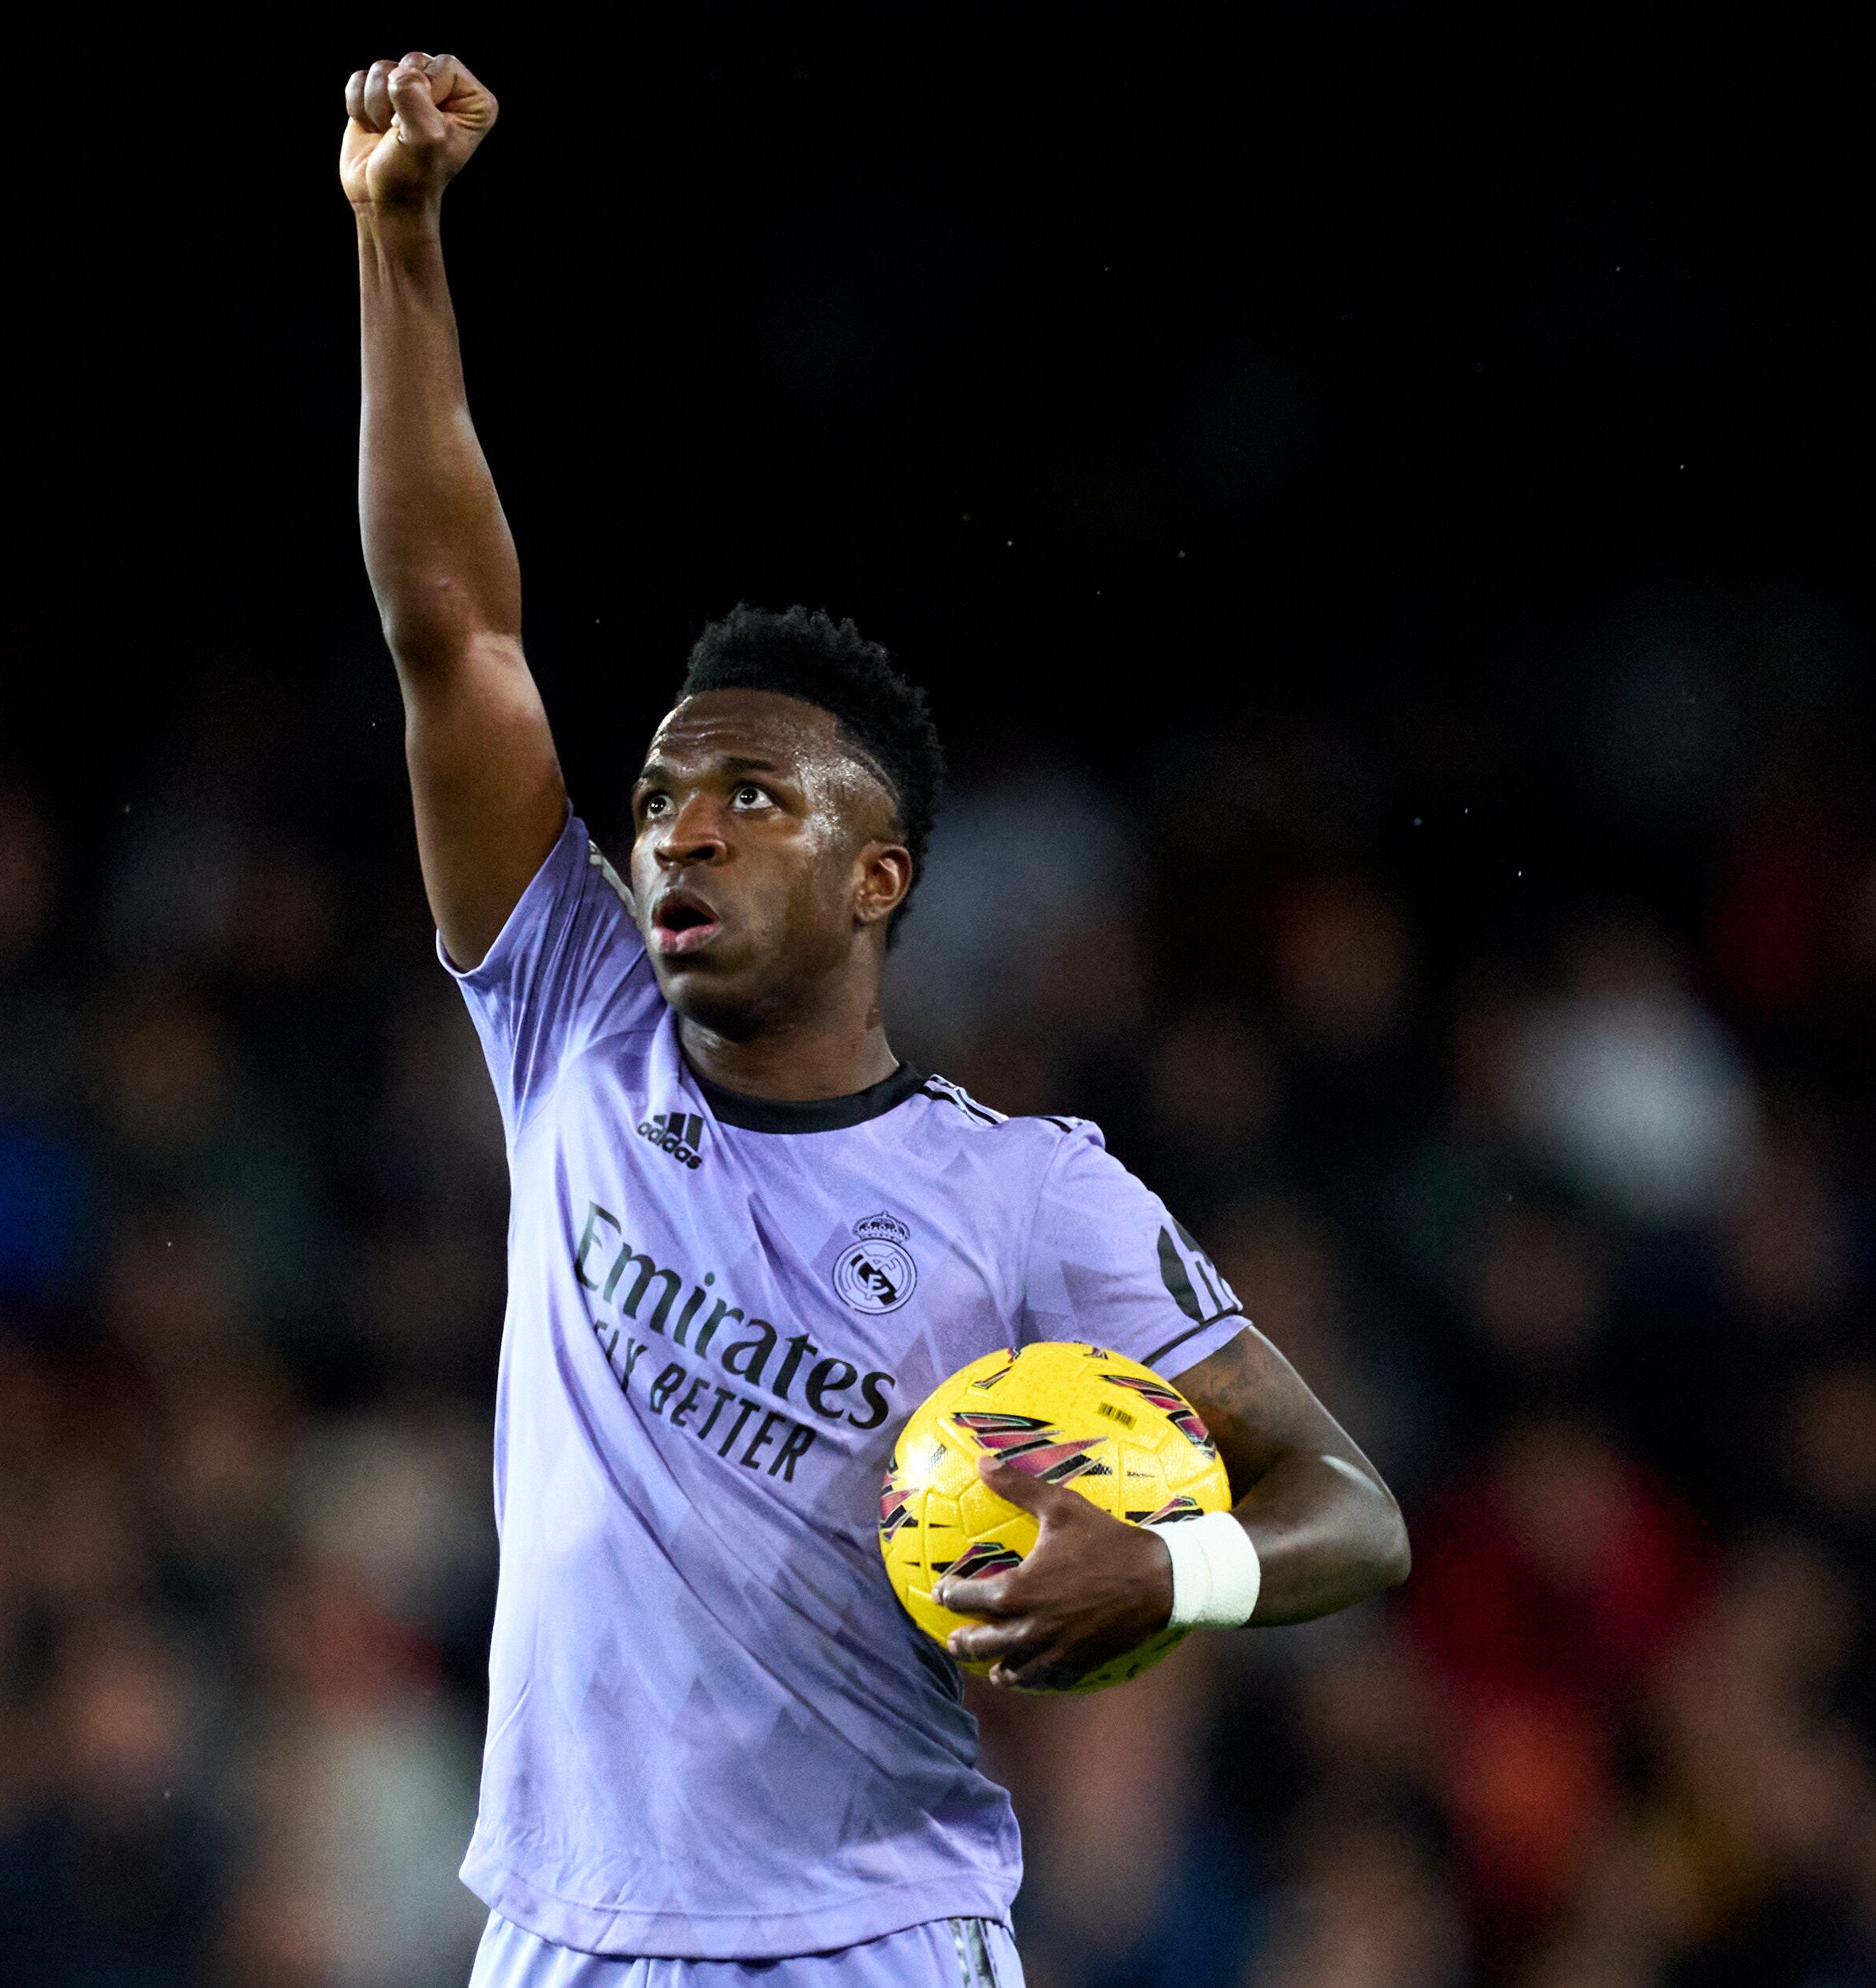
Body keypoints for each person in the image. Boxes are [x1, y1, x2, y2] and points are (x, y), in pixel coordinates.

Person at [340, 51, 1411, 1988]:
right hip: (562, 1940)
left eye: (750, 795)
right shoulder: (573, 1018)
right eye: (664, 792)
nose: (680, 828)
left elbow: (1354, 1512)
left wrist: (1175, 1566)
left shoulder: (1025, 1202)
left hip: (874, 1939)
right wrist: (397, 237)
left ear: (876, 875)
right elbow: (458, 633)